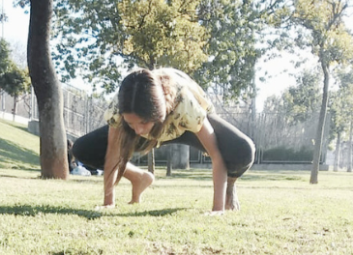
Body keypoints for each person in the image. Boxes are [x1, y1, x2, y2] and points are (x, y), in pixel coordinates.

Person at [72, 68, 255, 212]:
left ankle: (229, 183)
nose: (138, 129)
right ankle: (139, 178)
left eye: (143, 122)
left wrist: (217, 209)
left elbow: (215, 154)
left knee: (243, 150)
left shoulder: (185, 103)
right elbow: (113, 152)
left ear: (157, 114)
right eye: (131, 122)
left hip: (186, 124)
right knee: (83, 149)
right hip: (156, 126)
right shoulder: (119, 107)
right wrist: (108, 202)